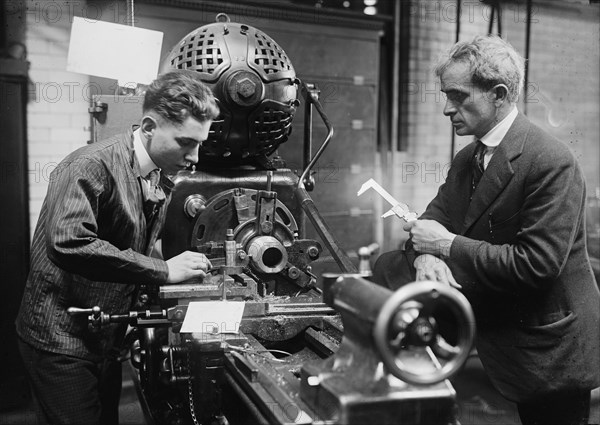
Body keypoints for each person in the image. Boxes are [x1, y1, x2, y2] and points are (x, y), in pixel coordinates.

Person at [373, 35, 599, 425]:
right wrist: (428, 253)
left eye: (459, 97)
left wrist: (446, 245)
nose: (448, 109)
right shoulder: (470, 157)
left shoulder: (551, 161)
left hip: (548, 349)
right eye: (446, 95)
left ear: (498, 94)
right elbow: (431, 222)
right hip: (500, 338)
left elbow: (536, 266)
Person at [15, 70, 220, 425]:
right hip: (60, 339)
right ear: (149, 126)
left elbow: (129, 241)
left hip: (102, 339)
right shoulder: (90, 165)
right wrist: (164, 270)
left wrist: (172, 264)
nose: (194, 157)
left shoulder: (156, 173)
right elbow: (68, 242)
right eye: (186, 142)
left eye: (199, 143)